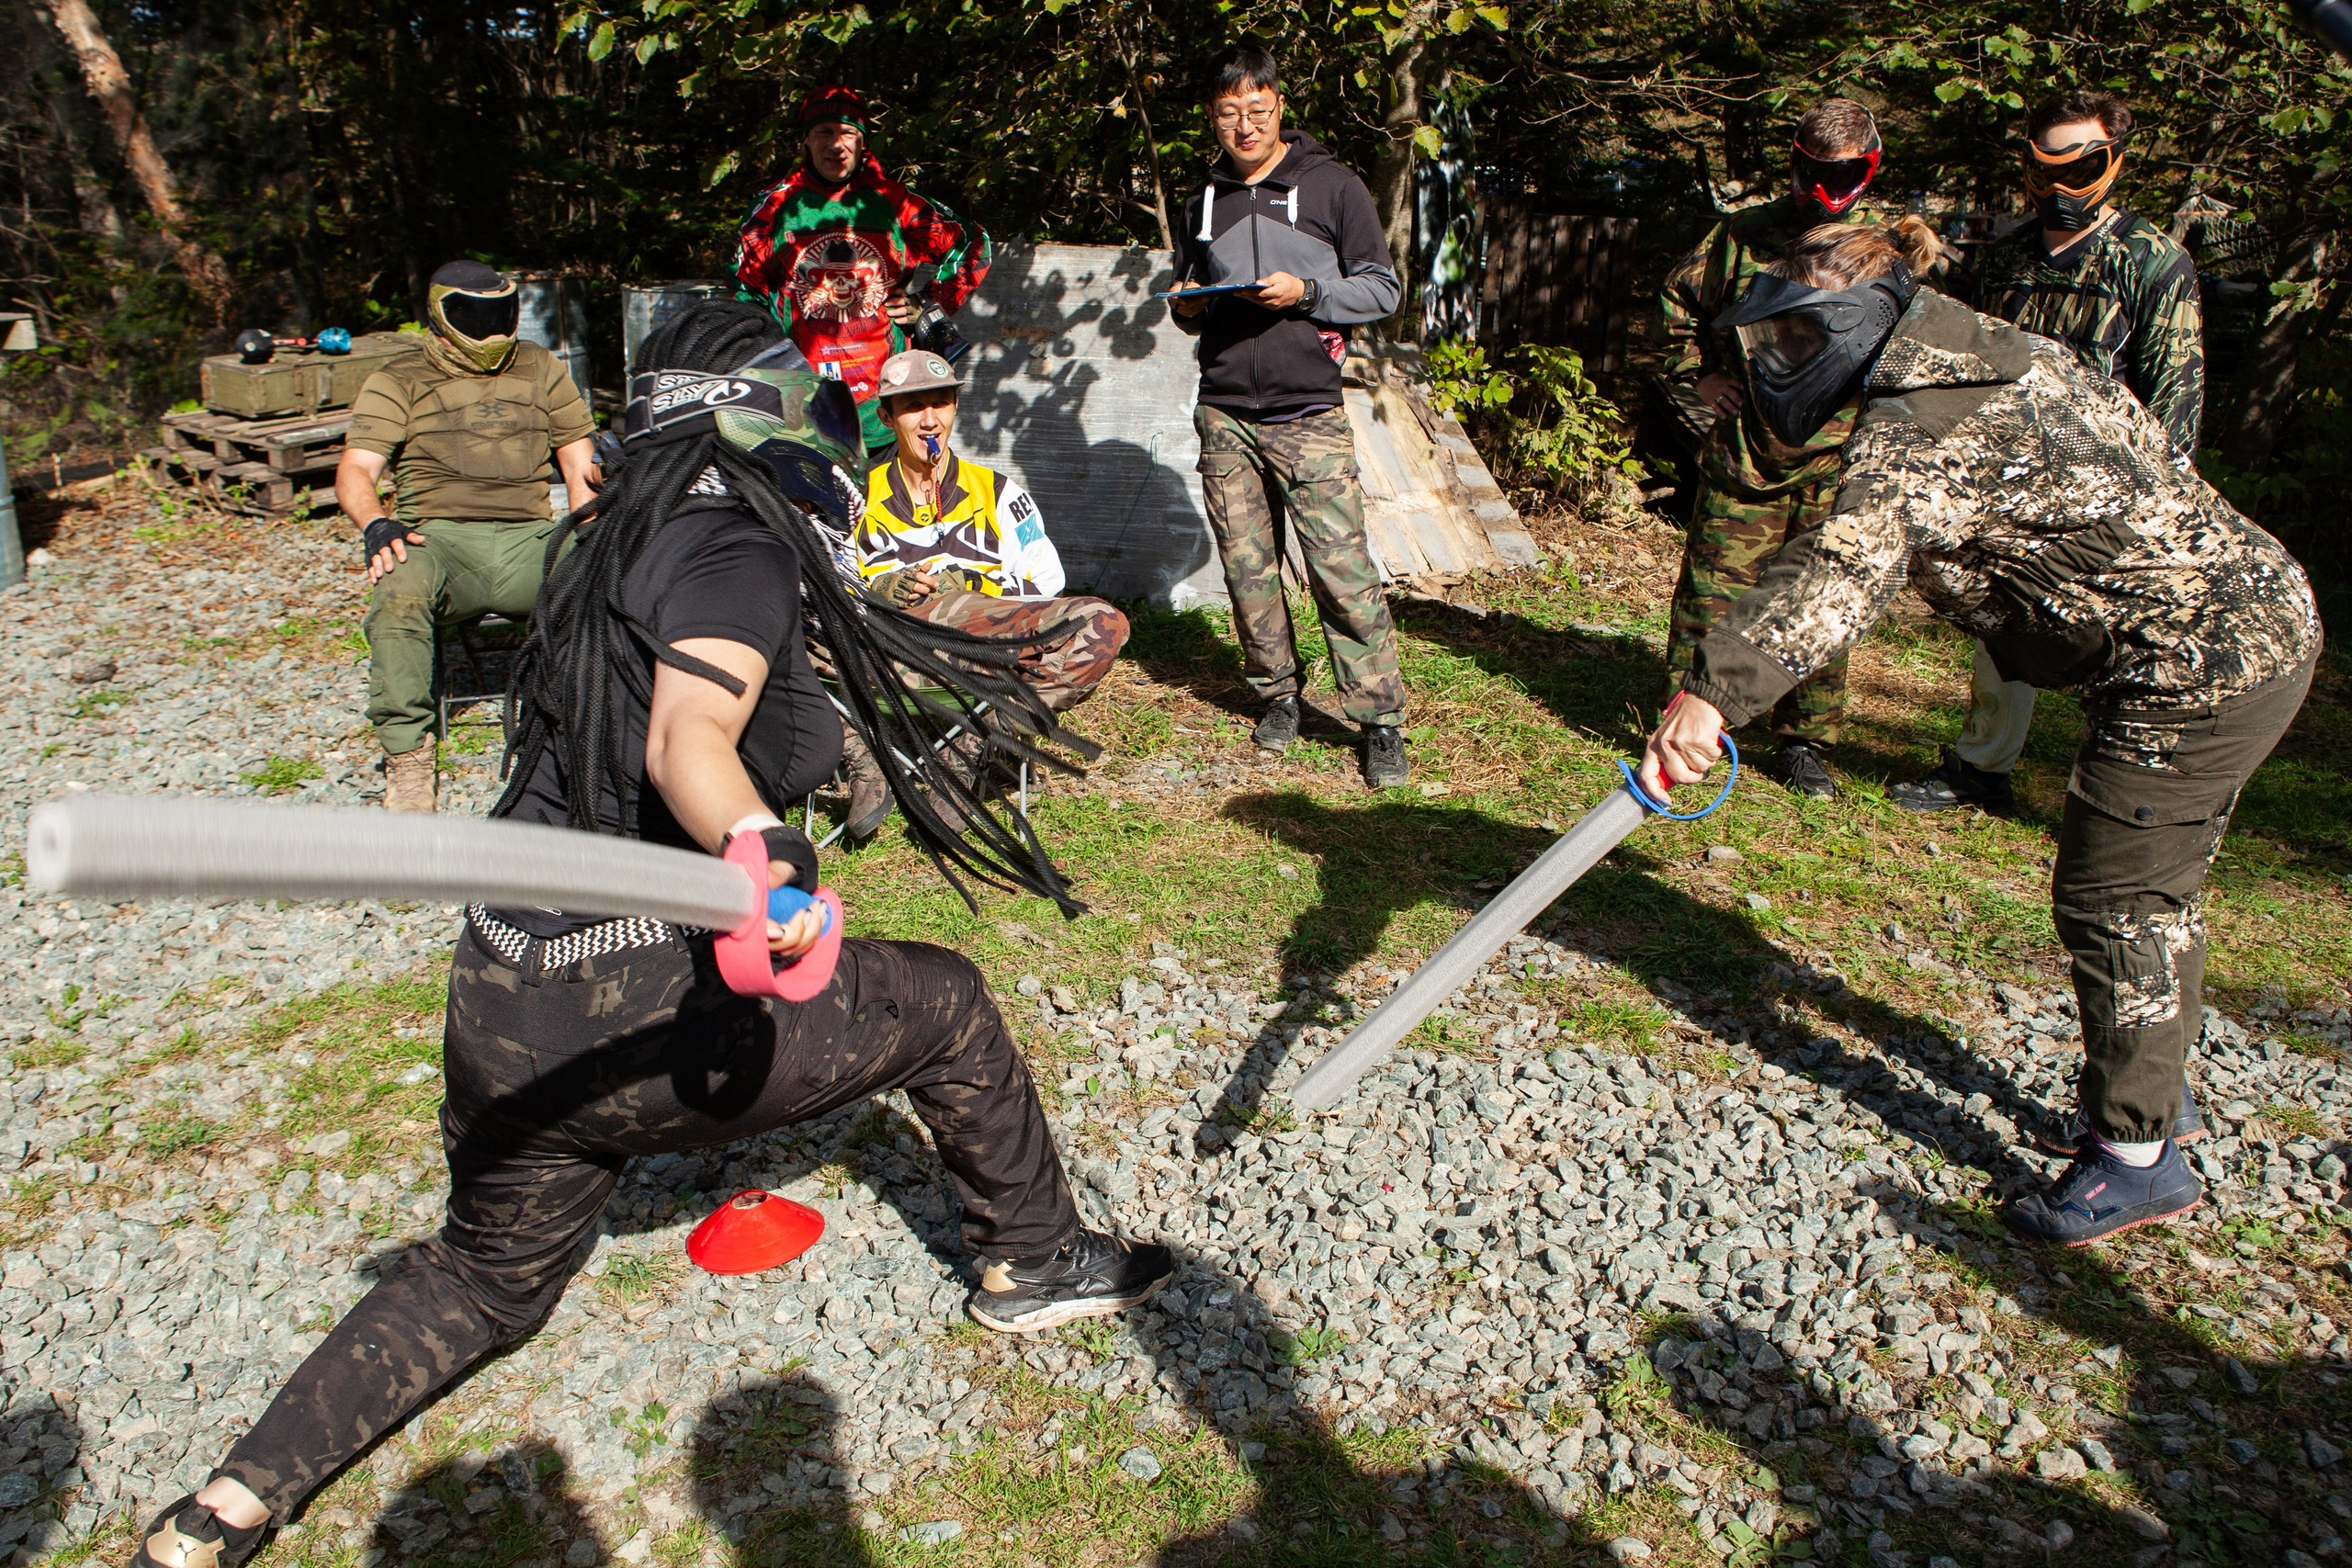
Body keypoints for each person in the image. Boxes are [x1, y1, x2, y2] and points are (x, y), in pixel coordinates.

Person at [126, 304, 1170, 1568]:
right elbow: (689, 739)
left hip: (506, 1000)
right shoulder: (731, 538)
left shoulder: (600, 537)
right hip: (629, 993)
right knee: (944, 998)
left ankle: (223, 1506)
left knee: (482, 1275)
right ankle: (1034, 1258)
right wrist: (765, 854)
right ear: (766, 418)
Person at [1637, 220, 2318, 1247]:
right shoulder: (1970, 347)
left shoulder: (1929, 421)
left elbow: (1840, 567)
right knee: (2151, 884)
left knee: (2119, 894)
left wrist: (1712, 694)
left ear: (1855, 325)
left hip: (2201, 664)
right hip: (2233, 628)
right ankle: (2151, 1092)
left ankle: (2139, 1159)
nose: (1779, 367)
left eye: (1793, 344)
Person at [1895, 91, 2207, 817]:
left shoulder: (2155, 263)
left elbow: (2176, 391)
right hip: (2017, 481)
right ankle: (1982, 770)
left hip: (2119, 490)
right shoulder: (2006, 258)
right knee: (2007, 625)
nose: (2060, 190)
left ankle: (2134, 801)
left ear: (2114, 161)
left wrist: (2163, 500)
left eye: (2082, 167)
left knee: (2135, 649)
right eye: (2044, 172)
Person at [1167, 40, 1410, 791]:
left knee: (1342, 571)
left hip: (1309, 411)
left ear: (1279, 106)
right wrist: (1188, 304)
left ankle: (1379, 721)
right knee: (1247, 570)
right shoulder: (1200, 201)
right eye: (1228, 113)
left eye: (1257, 110)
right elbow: (1190, 307)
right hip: (1226, 412)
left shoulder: (1334, 187)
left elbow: (1381, 290)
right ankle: (1277, 697)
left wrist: (1304, 295)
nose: (1244, 126)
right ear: (1213, 118)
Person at [1657, 98, 1887, 801]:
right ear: (1794, 161)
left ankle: (1803, 741)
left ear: (1868, 169)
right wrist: (1703, 375)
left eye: (1842, 173)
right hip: (1749, 448)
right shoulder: (1743, 235)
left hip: (1837, 452)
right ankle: (1680, 722)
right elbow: (1676, 305)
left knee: (1819, 596)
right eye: (1812, 170)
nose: (1825, 188)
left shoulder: (1885, 246)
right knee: (1713, 589)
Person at [340, 260, 601, 814]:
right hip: (436, 541)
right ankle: (408, 761)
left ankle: (599, 724)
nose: (491, 329)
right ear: (441, 314)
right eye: (474, 316)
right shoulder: (398, 378)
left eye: (501, 314)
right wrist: (376, 522)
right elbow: (357, 470)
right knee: (399, 587)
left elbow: (580, 468)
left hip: (530, 540)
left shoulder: (540, 367)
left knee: (611, 573)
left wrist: (590, 526)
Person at [732, 85, 991, 462]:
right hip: (804, 404)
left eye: (847, 133)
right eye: (824, 132)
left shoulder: (894, 202)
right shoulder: (774, 208)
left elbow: (972, 243)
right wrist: (769, 369)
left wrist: (931, 302)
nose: (836, 145)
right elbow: (744, 294)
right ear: (806, 139)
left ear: (862, 140)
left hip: (887, 401)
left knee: (888, 512)